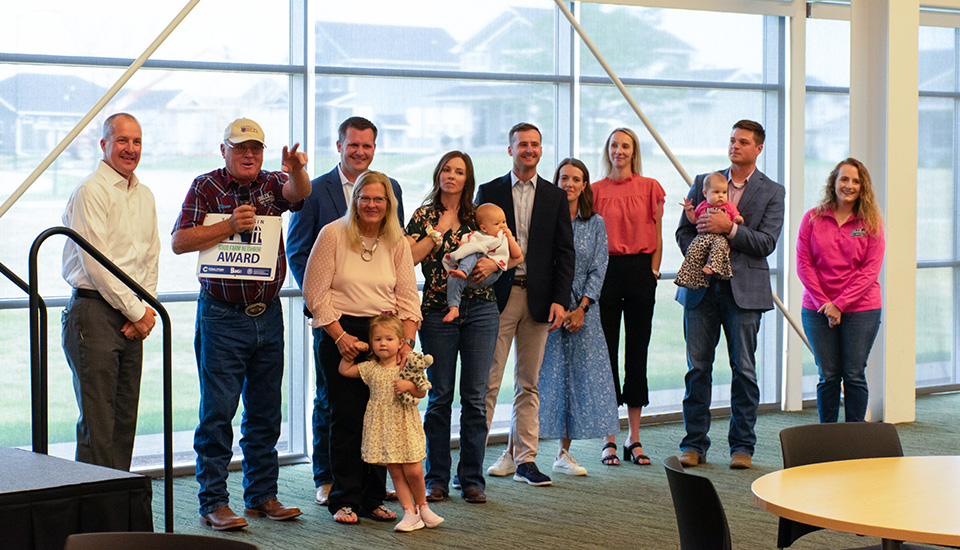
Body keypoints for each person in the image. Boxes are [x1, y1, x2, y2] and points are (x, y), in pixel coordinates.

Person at [171, 118, 309, 530]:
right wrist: (228, 226)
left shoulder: (271, 183)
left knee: (266, 410)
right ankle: (213, 501)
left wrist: (297, 169)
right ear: (224, 149)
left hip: (267, 313)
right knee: (218, 412)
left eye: (256, 149)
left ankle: (261, 495)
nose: (249, 155)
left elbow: (298, 194)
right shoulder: (206, 186)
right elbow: (180, 241)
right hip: (221, 314)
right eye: (241, 148)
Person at [286, 116, 404, 507]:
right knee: (337, 409)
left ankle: (371, 495)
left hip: (382, 328)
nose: (360, 152)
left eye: (367, 146)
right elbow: (299, 252)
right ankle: (332, 483)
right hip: (336, 321)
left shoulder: (390, 191)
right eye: (353, 145)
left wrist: (402, 336)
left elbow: (402, 277)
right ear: (339, 146)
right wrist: (329, 319)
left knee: (376, 413)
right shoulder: (317, 192)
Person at [302, 170, 421, 524]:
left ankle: (371, 500)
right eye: (365, 198)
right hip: (342, 332)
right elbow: (315, 292)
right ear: (355, 201)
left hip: (385, 333)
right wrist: (340, 337)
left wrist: (406, 344)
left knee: (380, 419)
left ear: (389, 205)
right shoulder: (333, 234)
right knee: (348, 418)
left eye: (378, 199)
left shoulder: (397, 241)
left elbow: (407, 297)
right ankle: (344, 500)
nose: (371, 205)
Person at [675, 120, 785, 470]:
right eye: (732, 140)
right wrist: (703, 251)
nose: (735, 146)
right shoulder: (703, 183)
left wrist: (731, 230)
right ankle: (693, 444)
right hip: (701, 290)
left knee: (744, 371)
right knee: (697, 370)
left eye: (743, 142)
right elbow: (682, 231)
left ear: (758, 149)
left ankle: (742, 447)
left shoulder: (773, 191)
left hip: (744, 292)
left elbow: (766, 243)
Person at [405, 151, 513, 505]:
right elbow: (408, 260)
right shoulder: (424, 216)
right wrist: (436, 235)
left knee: (475, 397)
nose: (452, 176)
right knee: (439, 396)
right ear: (438, 174)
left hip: (482, 309)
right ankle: (435, 478)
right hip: (437, 311)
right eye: (447, 170)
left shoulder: (478, 214)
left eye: (459, 172)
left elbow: (511, 254)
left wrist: (489, 267)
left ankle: (471, 478)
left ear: (468, 179)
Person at [61, 112, 159, 471]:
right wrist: (138, 312)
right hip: (94, 313)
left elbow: (151, 256)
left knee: (123, 424)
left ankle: (118, 515)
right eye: (122, 140)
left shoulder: (144, 194)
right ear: (104, 145)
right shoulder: (91, 191)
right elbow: (96, 266)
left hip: (133, 315)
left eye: (136, 142)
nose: (130, 149)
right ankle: (93, 520)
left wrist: (144, 311)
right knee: (98, 429)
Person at [478, 122, 575, 487]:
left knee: (528, 383)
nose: (529, 150)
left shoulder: (554, 196)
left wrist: (559, 301)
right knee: (486, 383)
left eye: (535, 144)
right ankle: (472, 462)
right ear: (510, 150)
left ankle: (526, 460)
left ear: (540, 149)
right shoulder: (488, 192)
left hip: (538, 300)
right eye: (522, 145)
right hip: (497, 298)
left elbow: (565, 253)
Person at [538, 158, 620, 475]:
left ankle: (563, 454)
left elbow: (599, 268)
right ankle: (517, 451)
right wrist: (556, 304)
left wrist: (581, 308)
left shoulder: (595, 223)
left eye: (575, 179)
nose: (569, 184)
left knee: (576, 381)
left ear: (584, 185)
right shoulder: (544, 220)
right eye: (563, 178)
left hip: (584, 312)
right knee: (542, 378)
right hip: (548, 309)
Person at [592, 127, 665, 466]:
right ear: (607, 150)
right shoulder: (594, 191)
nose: (619, 151)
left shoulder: (650, 187)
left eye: (625, 146)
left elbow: (658, 234)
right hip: (605, 272)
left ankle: (634, 437)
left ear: (634, 151)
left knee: (637, 351)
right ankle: (609, 438)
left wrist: (652, 272)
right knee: (606, 353)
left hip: (639, 272)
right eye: (614, 145)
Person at [797, 158, 884, 423]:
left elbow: (870, 270)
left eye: (856, 181)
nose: (849, 185)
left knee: (854, 373)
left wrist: (841, 303)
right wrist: (826, 303)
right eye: (844, 179)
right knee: (828, 374)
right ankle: (828, 437)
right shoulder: (812, 218)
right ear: (833, 182)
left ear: (863, 187)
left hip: (861, 308)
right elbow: (803, 263)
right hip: (817, 308)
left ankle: (855, 438)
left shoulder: (871, 222)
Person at [338, 313, 443, 532]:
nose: (383, 343)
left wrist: (409, 386)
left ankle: (422, 506)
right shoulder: (370, 368)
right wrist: (353, 351)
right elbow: (344, 370)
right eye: (378, 339)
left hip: (404, 423)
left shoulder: (407, 366)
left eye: (389, 339)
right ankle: (409, 513)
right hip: (383, 425)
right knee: (395, 470)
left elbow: (422, 392)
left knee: (413, 470)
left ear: (401, 342)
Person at [441, 203, 522, 322]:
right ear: (484, 228)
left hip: (490, 275)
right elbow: (465, 246)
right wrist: (463, 247)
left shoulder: (504, 238)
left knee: (475, 251)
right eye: (497, 224)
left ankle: (463, 270)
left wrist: (510, 238)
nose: (502, 226)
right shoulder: (477, 236)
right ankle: (454, 307)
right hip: (468, 277)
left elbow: (517, 255)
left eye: (504, 222)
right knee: (453, 277)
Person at [675, 172, 744, 289]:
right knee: (693, 249)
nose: (721, 196)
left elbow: (736, 217)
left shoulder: (728, 206)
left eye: (724, 192)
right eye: (716, 192)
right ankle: (687, 277)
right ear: (705, 193)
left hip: (720, 236)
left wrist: (738, 220)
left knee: (719, 246)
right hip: (702, 236)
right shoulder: (702, 206)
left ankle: (713, 267)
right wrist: (688, 211)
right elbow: (693, 220)